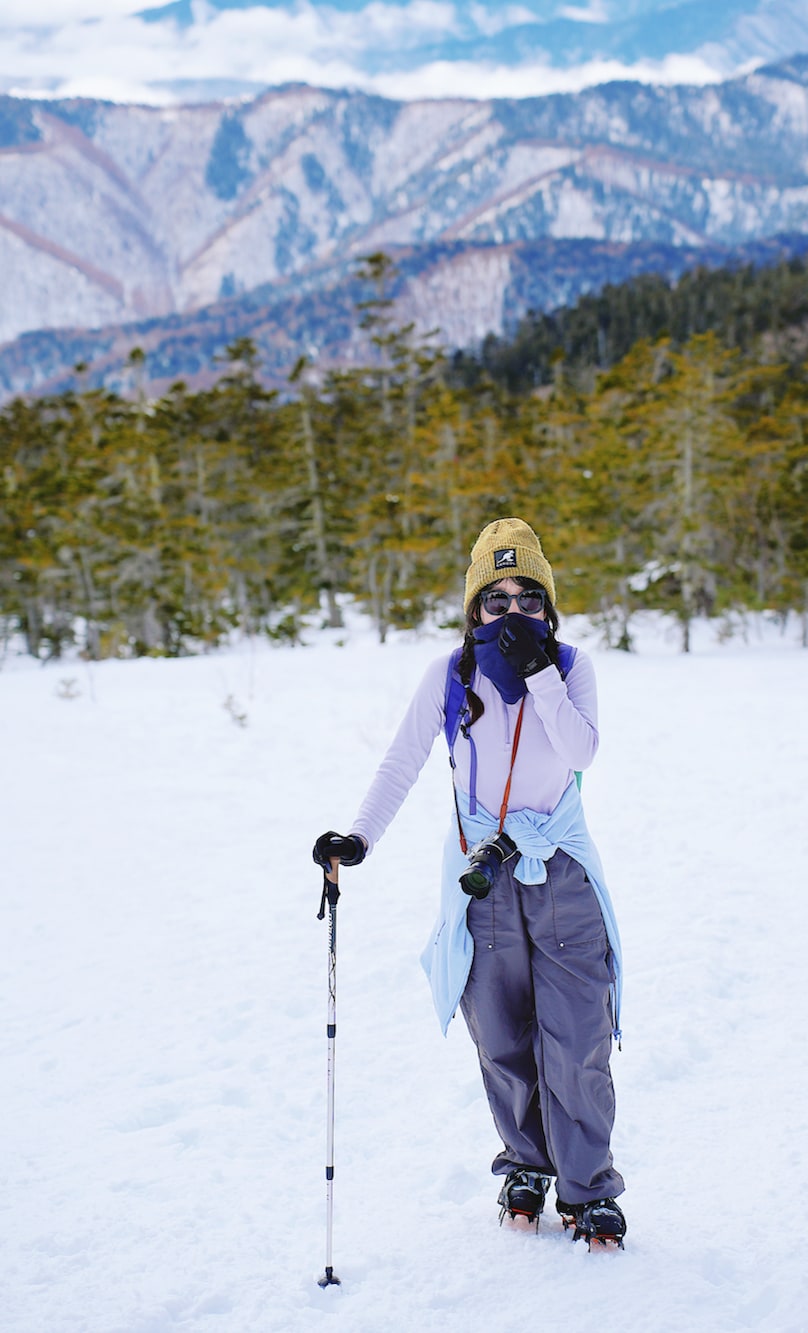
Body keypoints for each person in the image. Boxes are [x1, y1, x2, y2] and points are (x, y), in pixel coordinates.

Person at [312, 518, 626, 1246]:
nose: (512, 614)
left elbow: (581, 748)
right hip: (479, 876)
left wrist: (539, 671)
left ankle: (589, 1188)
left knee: (575, 1035)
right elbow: (401, 763)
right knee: (500, 1033)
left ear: (549, 607)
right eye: (496, 599)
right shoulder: (451, 675)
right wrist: (357, 838)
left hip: (560, 869)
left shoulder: (572, 665)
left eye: (528, 599)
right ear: (472, 608)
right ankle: (526, 1163)